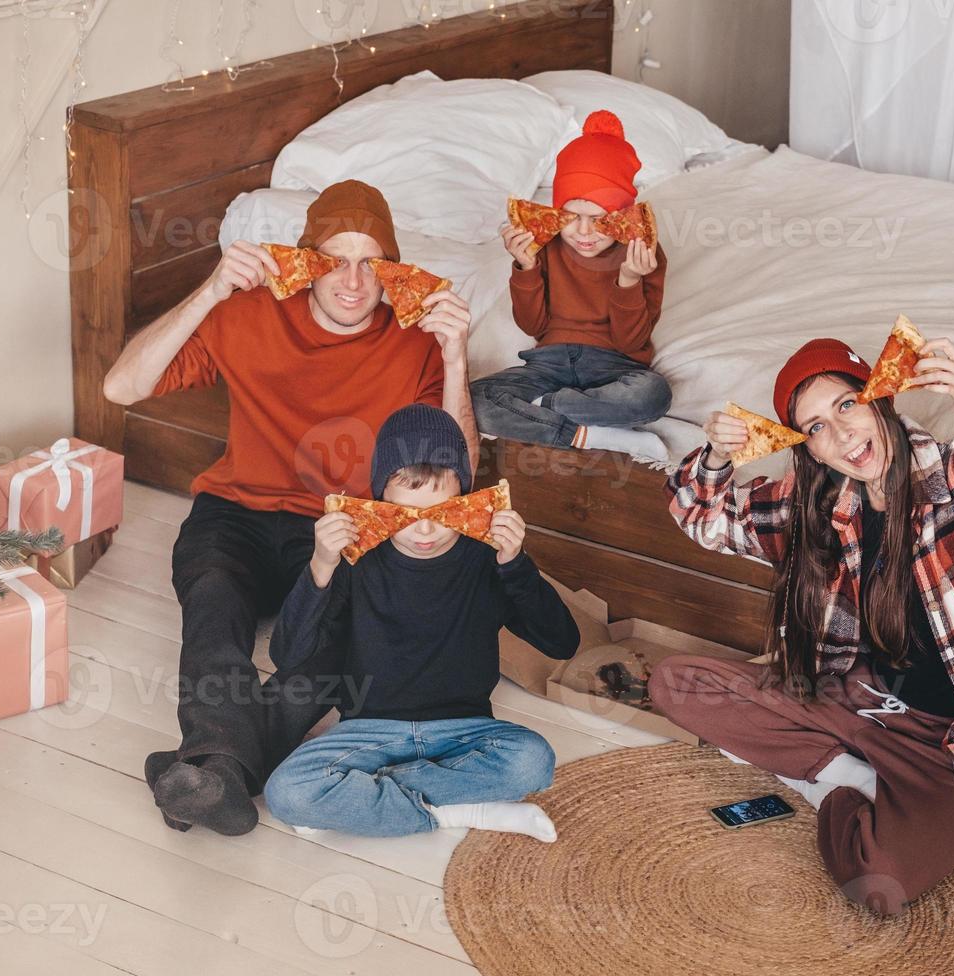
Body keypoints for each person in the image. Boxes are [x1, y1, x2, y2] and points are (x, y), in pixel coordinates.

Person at [649, 336, 954, 913]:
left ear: (879, 398)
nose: (841, 434)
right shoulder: (814, 508)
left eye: (847, 405)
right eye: (815, 429)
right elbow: (700, 514)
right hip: (858, 701)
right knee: (672, 683)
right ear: (809, 450)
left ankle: (840, 778)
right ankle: (845, 778)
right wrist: (715, 456)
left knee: (878, 885)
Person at [102, 180, 478, 836]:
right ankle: (223, 766)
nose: (354, 281)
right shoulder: (244, 312)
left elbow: (458, 476)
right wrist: (212, 289)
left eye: (372, 262)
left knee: (344, 643)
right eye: (335, 260)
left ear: (394, 271)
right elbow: (121, 385)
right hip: (235, 512)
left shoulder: (416, 343)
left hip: (341, 528)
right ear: (306, 262)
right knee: (213, 603)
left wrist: (456, 357)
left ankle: (212, 770)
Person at [263, 405, 578, 841]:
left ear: (465, 499)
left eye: (442, 512)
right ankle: (465, 811)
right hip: (367, 732)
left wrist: (516, 565)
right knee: (286, 792)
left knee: (533, 760)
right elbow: (288, 654)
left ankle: (364, 800)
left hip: (465, 731)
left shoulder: (486, 558)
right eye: (404, 514)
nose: (424, 531)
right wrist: (320, 565)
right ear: (378, 503)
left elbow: (562, 642)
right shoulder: (356, 559)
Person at [472, 110, 673, 461]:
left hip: (616, 367)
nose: (583, 232)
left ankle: (540, 410)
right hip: (548, 363)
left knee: (652, 395)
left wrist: (629, 281)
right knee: (474, 399)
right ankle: (586, 433)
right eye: (570, 217)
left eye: (598, 220)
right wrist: (526, 266)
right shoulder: (545, 247)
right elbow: (532, 326)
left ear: (622, 215)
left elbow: (631, 341)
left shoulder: (642, 253)